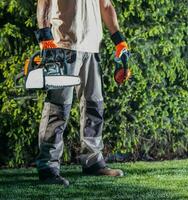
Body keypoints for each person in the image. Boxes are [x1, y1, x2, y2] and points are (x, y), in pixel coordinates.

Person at [35, 0, 131, 187]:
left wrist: (119, 40)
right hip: (62, 46)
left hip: (92, 48)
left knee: (94, 106)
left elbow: (106, 6)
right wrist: (44, 36)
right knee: (58, 108)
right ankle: (48, 167)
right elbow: (44, 2)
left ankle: (93, 161)